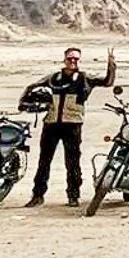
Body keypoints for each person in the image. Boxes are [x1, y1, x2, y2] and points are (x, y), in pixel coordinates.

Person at [24, 46, 115, 208]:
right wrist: (26, 103)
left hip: (72, 125)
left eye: (76, 59)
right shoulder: (53, 79)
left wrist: (111, 66)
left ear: (79, 61)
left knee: (72, 162)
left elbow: (107, 82)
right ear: (64, 59)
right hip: (51, 124)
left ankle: (73, 195)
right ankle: (37, 195)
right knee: (44, 161)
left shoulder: (85, 78)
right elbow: (31, 87)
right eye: (69, 58)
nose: (72, 61)